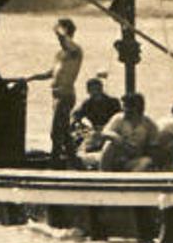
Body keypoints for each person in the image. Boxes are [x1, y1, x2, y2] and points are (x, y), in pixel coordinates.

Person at [26, 18, 83, 168]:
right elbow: (51, 73)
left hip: (66, 95)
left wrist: (59, 31)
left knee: (56, 132)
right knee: (63, 131)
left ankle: (55, 162)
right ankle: (73, 162)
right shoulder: (59, 54)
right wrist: (31, 78)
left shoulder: (75, 51)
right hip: (56, 96)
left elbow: (64, 40)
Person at [99, 93, 158, 172]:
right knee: (109, 144)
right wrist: (115, 137)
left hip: (134, 158)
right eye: (125, 106)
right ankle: (104, 175)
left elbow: (154, 146)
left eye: (129, 107)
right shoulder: (118, 119)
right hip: (118, 156)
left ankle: (131, 181)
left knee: (147, 161)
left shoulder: (149, 124)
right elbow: (104, 133)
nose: (126, 110)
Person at [71, 77, 121, 152]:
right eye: (92, 90)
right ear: (88, 91)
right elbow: (75, 117)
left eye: (97, 90)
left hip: (111, 130)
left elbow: (120, 118)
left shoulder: (113, 102)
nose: (95, 93)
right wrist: (80, 126)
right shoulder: (87, 104)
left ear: (101, 89)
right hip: (95, 131)